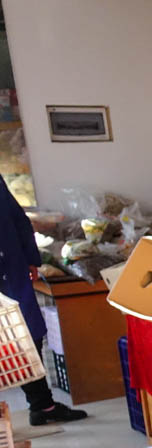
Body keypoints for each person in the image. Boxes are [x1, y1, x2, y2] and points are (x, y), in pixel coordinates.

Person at [0, 179, 87, 425]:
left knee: (25, 335)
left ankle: (42, 405)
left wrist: (30, 258)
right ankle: (40, 405)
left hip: (12, 269)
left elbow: (17, 218)